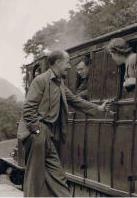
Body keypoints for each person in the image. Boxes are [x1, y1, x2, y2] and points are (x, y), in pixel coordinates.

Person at [17, 50, 113, 197]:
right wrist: (37, 132)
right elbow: (28, 109)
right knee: (34, 177)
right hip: (38, 134)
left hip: (48, 135)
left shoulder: (59, 84)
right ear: (57, 62)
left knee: (58, 175)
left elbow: (75, 100)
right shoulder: (41, 81)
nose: (69, 67)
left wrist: (99, 108)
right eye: (67, 62)